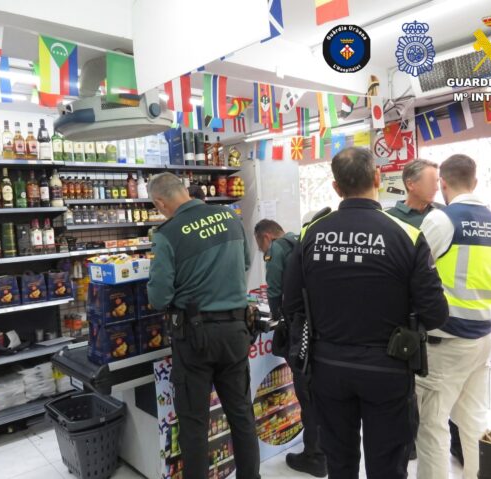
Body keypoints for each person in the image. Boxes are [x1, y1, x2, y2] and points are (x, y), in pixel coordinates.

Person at [283, 147, 448, 479]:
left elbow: (291, 304)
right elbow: (435, 314)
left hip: (327, 366)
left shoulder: (310, 234)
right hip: (388, 367)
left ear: (336, 187)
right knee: (387, 466)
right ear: (377, 178)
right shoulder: (407, 235)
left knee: (339, 462)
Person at [147, 173, 260, 479]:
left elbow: (159, 297)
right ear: (184, 190)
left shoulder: (167, 234)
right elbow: (245, 263)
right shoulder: (230, 217)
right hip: (236, 330)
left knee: (194, 424)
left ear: (160, 202)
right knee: (241, 414)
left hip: (195, 337)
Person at [416, 154, 491, 479]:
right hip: (483, 336)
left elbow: (414, 271)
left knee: (432, 425)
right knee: (474, 422)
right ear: (475, 181)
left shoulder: (442, 220)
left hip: (447, 340)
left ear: (443, 183)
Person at [386, 158, 459, 462]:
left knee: (442, 391)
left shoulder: (443, 216)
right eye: (431, 181)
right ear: (411, 184)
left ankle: (456, 445)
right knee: (407, 388)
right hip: (403, 316)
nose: (437, 187)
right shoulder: (390, 219)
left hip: (436, 312)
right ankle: (408, 442)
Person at [254, 219, 326, 477]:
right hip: (321, 328)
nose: (262, 251)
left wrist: (277, 317)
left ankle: (315, 456)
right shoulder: (303, 240)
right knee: (319, 393)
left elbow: (274, 291)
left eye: (260, 246)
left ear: (266, 237)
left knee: (305, 392)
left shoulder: (277, 249)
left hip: (299, 328)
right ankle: (324, 450)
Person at [386, 159, 443, 228]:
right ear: (410, 184)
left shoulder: (443, 212)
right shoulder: (389, 219)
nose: (436, 188)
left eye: (436, 182)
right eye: (430, 182)